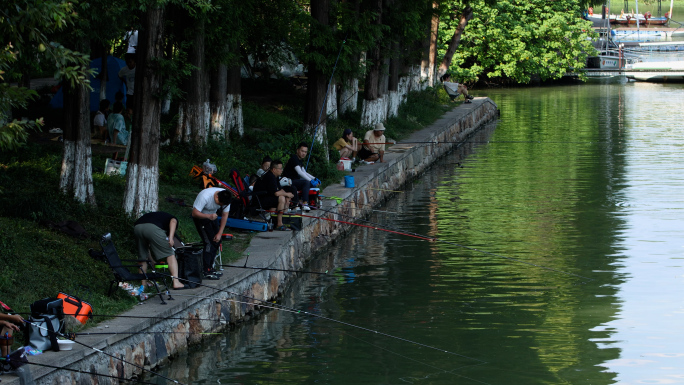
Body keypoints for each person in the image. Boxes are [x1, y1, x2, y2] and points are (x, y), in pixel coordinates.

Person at [133, 212, 186, 290]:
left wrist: (152, 261)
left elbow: (147, 249)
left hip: (137, 227)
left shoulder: (158, 216)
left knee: (142, 256)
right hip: (153, 228)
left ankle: (143, 284)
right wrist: (171, 237)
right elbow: (173, 221)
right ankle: (176, 282)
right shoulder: (171, 218)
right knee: (170, 254)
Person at [192, 188, 232, 279]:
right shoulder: (205, 196)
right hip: (201, 217)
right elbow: (194, 213)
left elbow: (225, 216)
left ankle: (210, 266)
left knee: (217, 240)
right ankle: (206, 269)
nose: (220, 206)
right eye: (220, 204)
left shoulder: (226, 198)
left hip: (212, 216)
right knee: (209, 242)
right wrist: (208, 216)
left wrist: (219, 233)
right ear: (216, 196)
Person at [253, 160, 294, 231]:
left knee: (283, 197)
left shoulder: (275, 176)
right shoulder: (270, 177)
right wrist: (286, 194)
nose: (282, 170)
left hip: (266, 197)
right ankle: (279, 224)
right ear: (274, 169)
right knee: (281, 198)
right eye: (280, 168)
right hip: (259, 200)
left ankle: (272, 221)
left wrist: (287, 196)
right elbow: (276, 193)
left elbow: (280, 190)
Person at [283, 142, 321, 211]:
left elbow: (304, 172)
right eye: (302, 151)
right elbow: (299, 172)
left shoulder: (299, 160)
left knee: (309, 183)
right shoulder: (294, 159)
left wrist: (314, 178)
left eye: (305, 152)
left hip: (295, 181)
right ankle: (305, 203)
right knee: (306, 182)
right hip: (288, 181)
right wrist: (310, 180)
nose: (304, 153)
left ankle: (312, 201)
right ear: (297, 150)